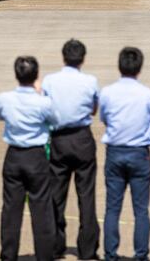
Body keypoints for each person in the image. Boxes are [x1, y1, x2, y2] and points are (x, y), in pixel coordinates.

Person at [42, 39, 100, 259]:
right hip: (82, 139)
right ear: (82, 59)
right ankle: (87, 249)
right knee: (86, 196)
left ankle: (56, 245)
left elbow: (44, 107)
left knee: (56, 195)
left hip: (58, 140)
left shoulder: (50, 81)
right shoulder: (90, 81)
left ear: (63, 57)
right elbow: (94, 110)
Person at [0, 56, 57, 261]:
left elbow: (1, 116)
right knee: (42, 209)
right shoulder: (44, 102)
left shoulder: (5, 98)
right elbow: (54, 121)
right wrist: (39, 94)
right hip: (36, 156)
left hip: (14, 154)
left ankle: (8, 253)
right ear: (36, 76)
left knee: (11, 209)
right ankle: (45, 255)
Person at [99, 46, 150, 261]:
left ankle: (110, 254)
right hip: (139, 153)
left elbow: (104, 118)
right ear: (139, 68)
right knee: (141, 210)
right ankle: (141, 254)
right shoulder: (147, 94)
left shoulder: (108, 92)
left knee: (112, 208)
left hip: (115, 152)